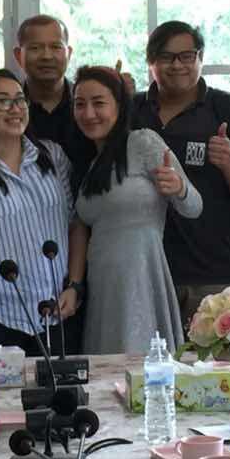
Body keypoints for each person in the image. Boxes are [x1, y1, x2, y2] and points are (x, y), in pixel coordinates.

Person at [0, 69, 87, 358]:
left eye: (20, 100)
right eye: (3, 101)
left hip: (58, 310)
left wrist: (74, 285)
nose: (15, 108)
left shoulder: (53, 156)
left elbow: (76, 225)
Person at [132, 21, 230, 329]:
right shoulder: (131, 110)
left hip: (216, 274)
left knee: (217, 360)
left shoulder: (229, 110)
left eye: (187, 56)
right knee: (148, 360)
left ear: (200, 58)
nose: (177, 65)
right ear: (151, 62)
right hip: (147, 273)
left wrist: (228, 162)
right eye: (166, 57)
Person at [72, 65, 202, 355]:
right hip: (101, 285)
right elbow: (81, 223)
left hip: (142, 276)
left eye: (98, 103)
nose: (89, 113)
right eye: (80, 104)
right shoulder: (91, 164)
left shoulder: (143, 141)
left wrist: (179, 187)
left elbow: (194, 206)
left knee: (144, 366)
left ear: (119, 105)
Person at [13, 15, 96, 191]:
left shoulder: (90, 108)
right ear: (19, 55)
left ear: (69, 53)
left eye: (56, 47)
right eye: (35, 48)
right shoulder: (8, 111)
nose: (46, 56)